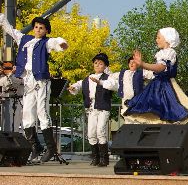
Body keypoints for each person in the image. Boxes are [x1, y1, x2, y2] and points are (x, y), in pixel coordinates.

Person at [0, 14, 68, 162]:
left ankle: (51, 148)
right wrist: (2, 19)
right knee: (26, 114)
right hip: (28, 80)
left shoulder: (46, 43)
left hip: (41, 81)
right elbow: (11, 30)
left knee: (42, 112)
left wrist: (62, 43)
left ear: (46, 31)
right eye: (36, 27)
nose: (38, 29)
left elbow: (56, 41)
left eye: (41, 28)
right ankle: (35, 146)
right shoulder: (25, 39)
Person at [124, 27, 188, 126]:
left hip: (166, 84)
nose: (156, 40)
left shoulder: (170, 52)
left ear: (167, 39)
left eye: (158, 38)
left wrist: (143, 64)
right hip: (157, 84)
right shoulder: (161, 53)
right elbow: (157, 70)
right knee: (153, 107)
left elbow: (160, 67)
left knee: (172, 106)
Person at [68, 53, 116, 167]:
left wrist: (100, 82)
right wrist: (73, 87)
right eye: (95, 63)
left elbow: (114, 86)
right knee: (91, 133)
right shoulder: (88, 78)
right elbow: (79, 85)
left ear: (105, 66)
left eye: (101, 63)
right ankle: (95, 157)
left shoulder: (108, 77)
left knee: (100, 131)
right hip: (91, 108)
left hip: (103, 108)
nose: (97, 65)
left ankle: (104, 159)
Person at [0, 61, 24, 133]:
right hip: (6, 101)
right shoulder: (2, 77)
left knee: (19, 123)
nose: (7, 69)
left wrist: (12, 74)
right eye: (5, 67)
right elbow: (5, 83)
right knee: (7, 124)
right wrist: (10, 74)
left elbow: (18, 82)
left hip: (19, 100)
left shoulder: (17, 75)